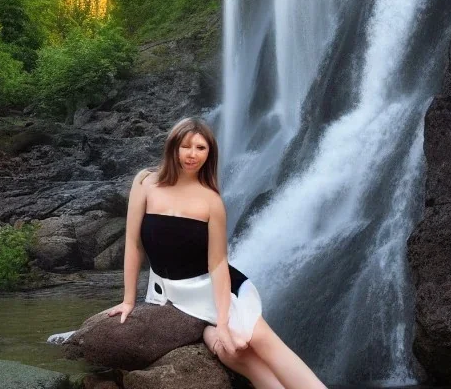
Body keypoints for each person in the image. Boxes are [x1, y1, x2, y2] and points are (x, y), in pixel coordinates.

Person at [107, 117, 327, 389]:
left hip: (216, 289)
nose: (192, 155)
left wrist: (223, 321)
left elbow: (219, 263)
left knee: (258, 339)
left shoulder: (211, 200)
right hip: (171, 292)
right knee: (233, 352)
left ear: (209, 153)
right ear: (173, 146)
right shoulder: (145, 182)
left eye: (201, 148)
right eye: (186, 146)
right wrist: (128, 301)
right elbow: (133, 243)